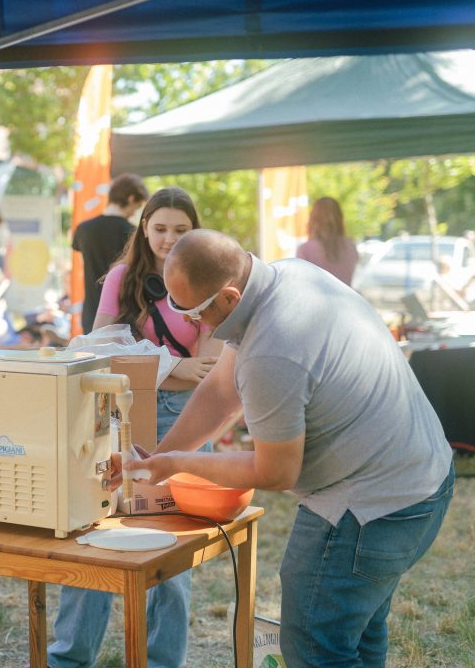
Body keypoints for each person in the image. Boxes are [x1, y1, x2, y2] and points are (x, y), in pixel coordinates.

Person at [123, 229, 454, 668]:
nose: (190, 324)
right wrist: (160, 458)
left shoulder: (273, 348)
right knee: (356, 634)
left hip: (372, 508)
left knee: (315, 646)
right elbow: (222, 389)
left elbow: (276, 472)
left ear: (228, 296)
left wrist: (181, 463)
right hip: (422, 481)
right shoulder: (289, 275)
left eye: (195, 313)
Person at [48, 187, 221, 668]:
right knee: (95, 528)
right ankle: (69, 657)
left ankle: (163, 661)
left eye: (180, 230)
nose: (169, 238)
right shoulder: (122, 277)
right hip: (118, 413)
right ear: (144, 228)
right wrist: (172, 364)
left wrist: (156, 365)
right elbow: (96, 347)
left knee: (173, 544)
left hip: (186, 418)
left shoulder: (206, 276)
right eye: (160, 228)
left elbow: (208, 368)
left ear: (195, 232)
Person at [72, 173, 148, 334]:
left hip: (91, 310)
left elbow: (77, 249)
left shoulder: (84, 229)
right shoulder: (132, 233)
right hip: (122, 313)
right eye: (137, 205)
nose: (135, 212)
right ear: (131, 198)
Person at [296, 196, 359, 286]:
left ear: (313, 219)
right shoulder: (351, 247)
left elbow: (300, 283)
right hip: (345, 299)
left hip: (314, 300)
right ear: (340, 218)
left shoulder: (305, 249)